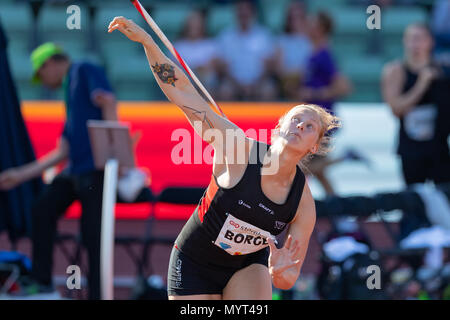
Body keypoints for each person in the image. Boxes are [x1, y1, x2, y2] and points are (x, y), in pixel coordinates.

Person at [108, 16, 340, 300]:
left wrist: (281, 273)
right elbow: (184, 94)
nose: (301, 126)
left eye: (310, 127)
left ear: (313, 147)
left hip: (246, 267)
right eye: (296, 119)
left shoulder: (302, 202)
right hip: (194, 262)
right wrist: (148, 43)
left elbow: (289, 276)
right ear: (279, 127)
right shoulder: (239, 148)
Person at [0, 42, 118, 299]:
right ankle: (43, 282)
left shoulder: (83, 68)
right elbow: (62, 150)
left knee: (93, 236)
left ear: (49, 64)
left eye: (41, 74)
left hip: (95, 171)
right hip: (76, 172)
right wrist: (19, 175)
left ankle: (99, 295)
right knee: (42, 207)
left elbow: (108, 101)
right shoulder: (69, 89)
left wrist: (112, 156)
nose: (43, 82)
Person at [382, 23, 450, 238]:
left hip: (439, 148)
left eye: (420, 38)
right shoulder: (396, 71)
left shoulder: (443, 71)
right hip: (411, 149)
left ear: (430, 42)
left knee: (443, 199)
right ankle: (411, 248)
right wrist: (421, 83)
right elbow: (396, 109)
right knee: (414, 202)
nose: (416, 44)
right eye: (411, 38)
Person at [298, 11, 357, 195]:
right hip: (314, 119)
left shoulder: (324, 54)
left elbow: (344, 87)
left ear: (321, 29)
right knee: (318, 171)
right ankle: (339, 214)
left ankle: (345, 157)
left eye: (312, 23)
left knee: (302, 168)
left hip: (321, 120)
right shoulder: (314, 52)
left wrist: (315, 93)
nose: (307, 26)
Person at [214, 0, 277, 101]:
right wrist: (237, 84)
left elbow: (269, 66)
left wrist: (256, 84)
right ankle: (226, 118)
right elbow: (222, 66)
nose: (243, 13)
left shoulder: (263, 35)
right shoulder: (226, 36)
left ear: (253, 13)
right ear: (236, 13)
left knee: (268, 91)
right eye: (240, 10)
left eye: (246, 10)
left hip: (260, 82)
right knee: (224, 91)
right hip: (232, 82)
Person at [274, 0, 312, 101]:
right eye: (292, 18)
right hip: (287, 83)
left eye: (299, 17)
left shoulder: (312, 39)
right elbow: (279, 68)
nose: (295, 21)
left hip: (308, 83)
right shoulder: (282, 40)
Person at [173, 9, 219, 94]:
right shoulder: (178, 46)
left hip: (207, 86)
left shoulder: (211, 45)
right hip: (185, 86)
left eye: (197, 23)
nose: (194, 27)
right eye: (192, 23)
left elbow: (214, 66)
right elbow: (174, 69)